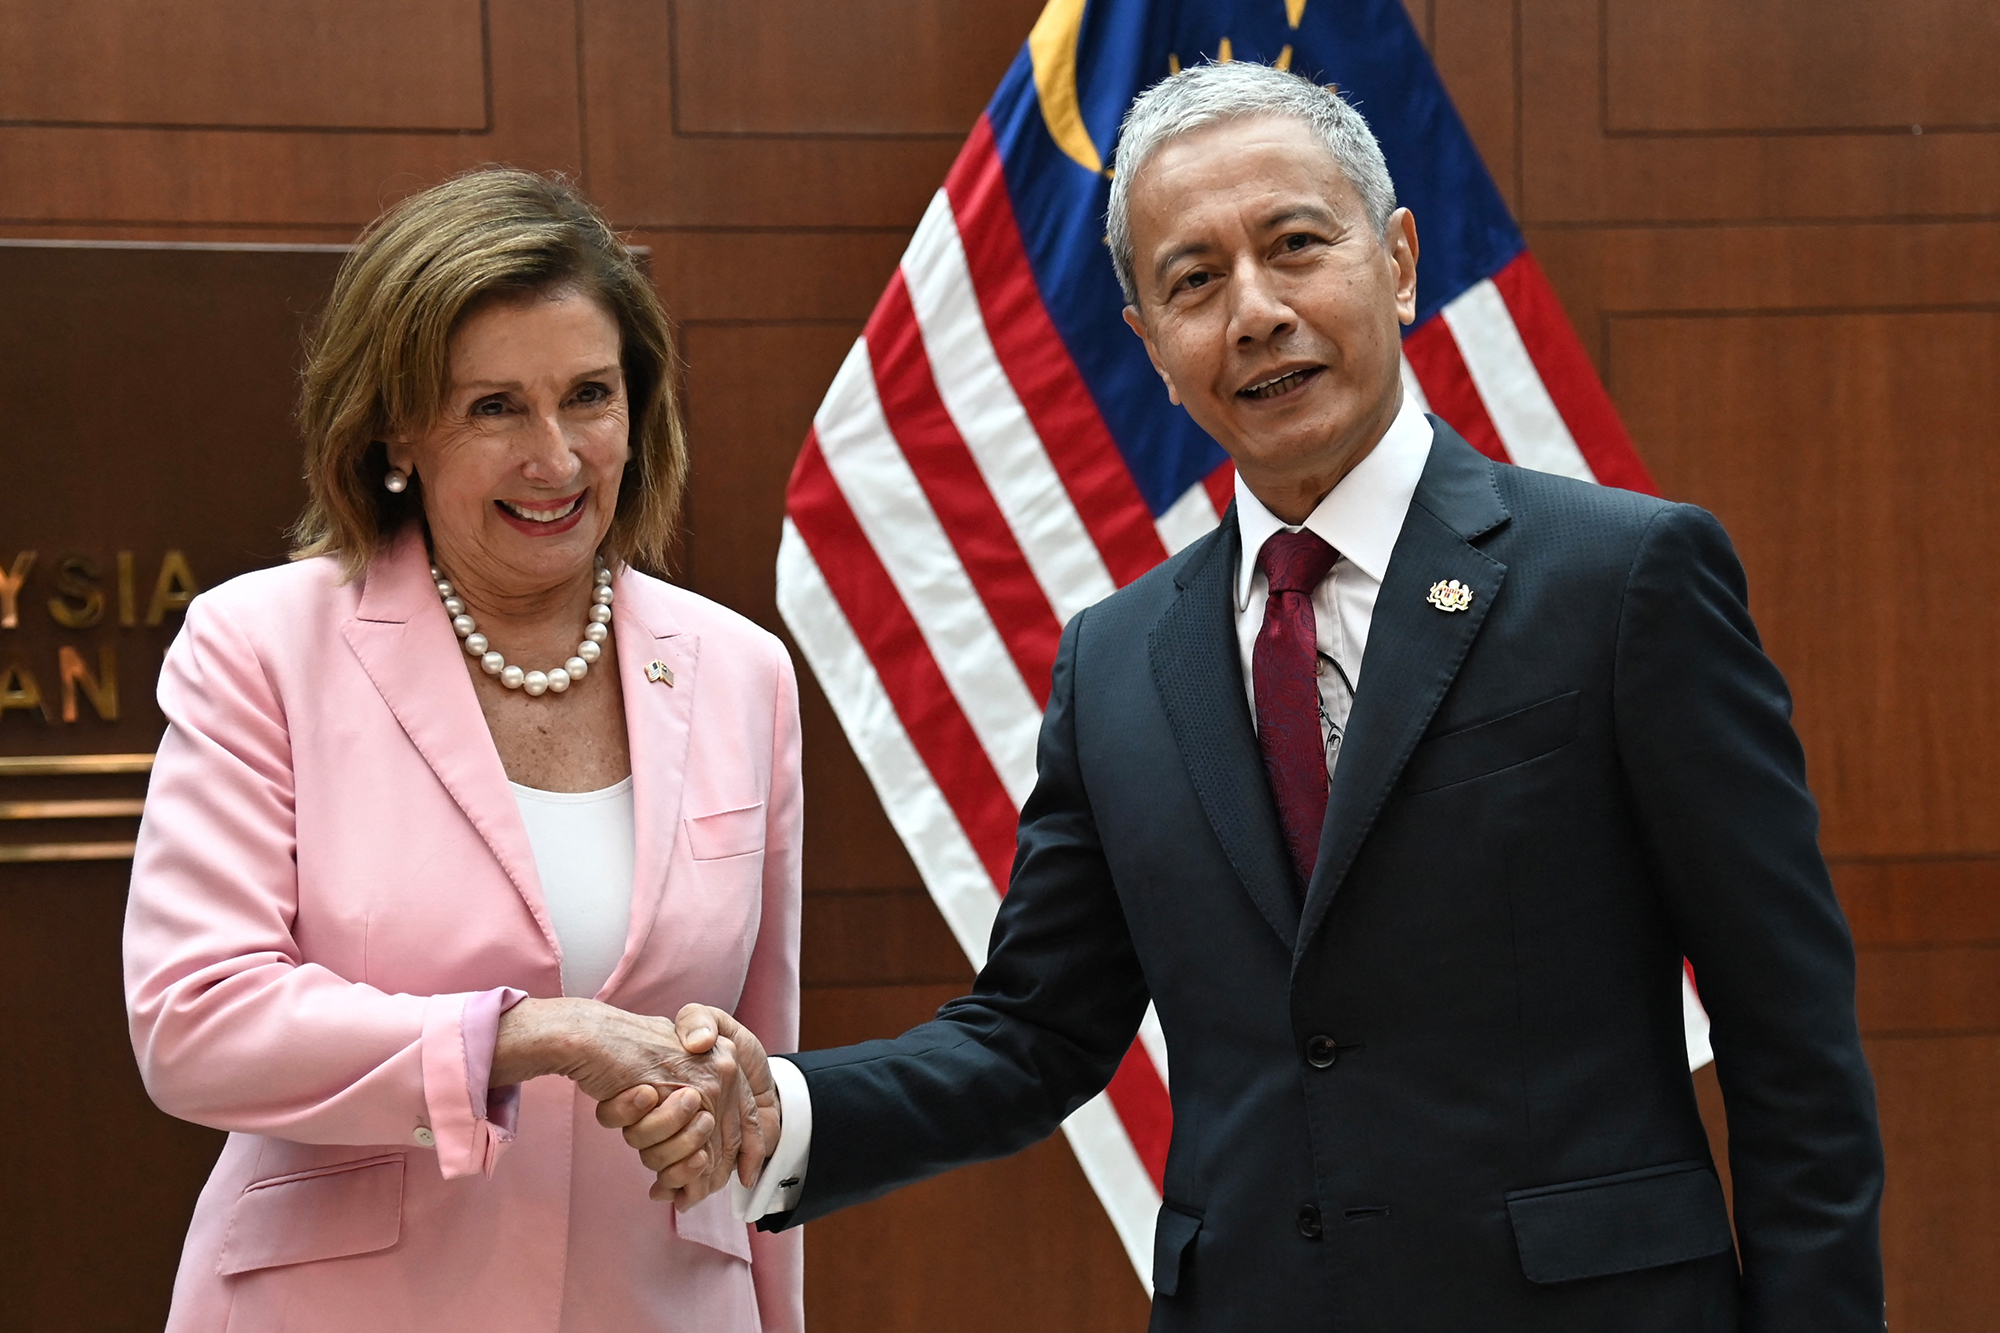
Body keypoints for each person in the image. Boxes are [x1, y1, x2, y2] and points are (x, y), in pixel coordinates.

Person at [608, 62, 1887, 1331]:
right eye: (1194, 281)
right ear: (1151, 348)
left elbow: (1789, 1037)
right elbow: (1035, 1034)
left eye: (1294, 246)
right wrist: (783, 1107)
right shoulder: (1114, 661)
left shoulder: (1620, 580)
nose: (1255, 312)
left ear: (1393, 262)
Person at [123, 168, 798, 1332]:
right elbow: (195, 1019)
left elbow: (768, 1051)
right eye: (494, 407)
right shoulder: (259, 646)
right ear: (395, 430)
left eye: (589, 394)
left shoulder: (743, 672)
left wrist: (742, 1119)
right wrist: (531, 1034)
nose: (556, 457)